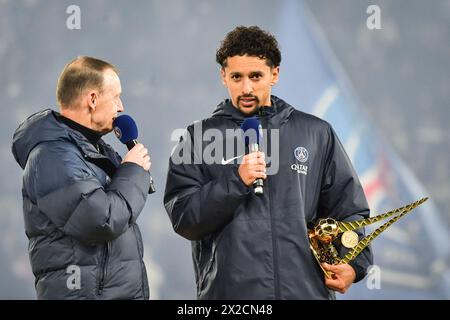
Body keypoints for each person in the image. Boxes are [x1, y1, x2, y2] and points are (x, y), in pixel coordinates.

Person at [164, 26, 373, 299]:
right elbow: (183, 217)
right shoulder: (197, 137)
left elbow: (350, 211)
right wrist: (235, 182)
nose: (246, 87)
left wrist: (354, 266)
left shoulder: (316, 133)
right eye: (237, 77)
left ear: (275, 74)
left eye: (256, 76)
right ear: (223, 76)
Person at [12, 56, 152, 299]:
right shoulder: (52, 156)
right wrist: (132, 171)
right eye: (116, 96)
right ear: (93, 99)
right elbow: (100, 221)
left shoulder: (92, 150)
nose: (121, 106)